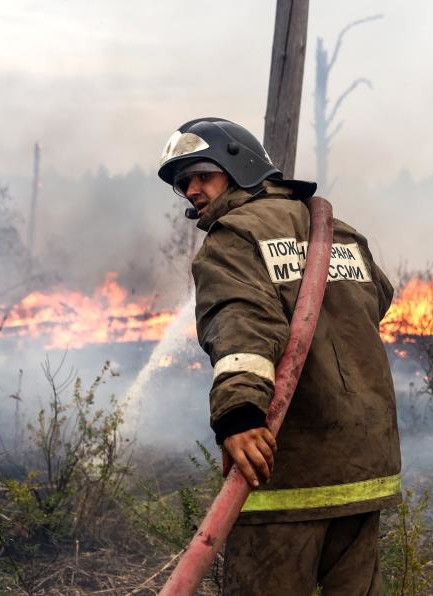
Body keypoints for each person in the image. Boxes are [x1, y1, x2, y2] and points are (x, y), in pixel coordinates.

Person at [158, 117, 402, 594]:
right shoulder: (340, 233)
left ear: (238, 166)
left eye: (201, 174)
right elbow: (381, 297)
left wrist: (240, 415)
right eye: (183, 182)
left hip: (288, 470)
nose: (191, 190)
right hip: (365, 467)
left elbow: (241, 321)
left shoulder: (233, 238)